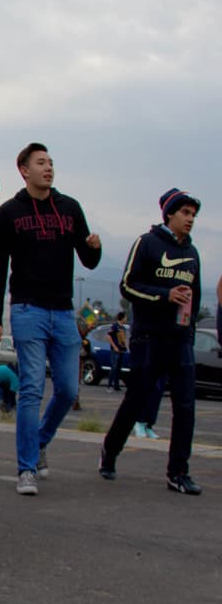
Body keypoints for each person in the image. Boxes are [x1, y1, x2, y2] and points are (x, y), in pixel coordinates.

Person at [0, 143, 101, 497]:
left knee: (67, 389)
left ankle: (40, 441)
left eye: (51, 162)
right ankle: (27, 468)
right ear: (24, 170)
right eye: (41, 163)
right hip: (27, 310)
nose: (48, 168)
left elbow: (89, 261)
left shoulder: (69, 208)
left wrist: (94, 247)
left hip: (64, 311)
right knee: (32, 386)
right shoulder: (9, 212)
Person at [100, 188, 203, 495]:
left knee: (185, 406)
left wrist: (190, 326)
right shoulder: (147, 243)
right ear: (169, 214)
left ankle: (178, 472)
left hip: (180, 339)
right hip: (149, 338)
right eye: (185, 213)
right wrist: (164, 295)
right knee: (137, 400)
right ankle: (110, 450)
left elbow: (194, 297)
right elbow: (128, 286)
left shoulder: (193, 253)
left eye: (194, 215)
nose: (190, 220)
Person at [107, 311, 128, 393]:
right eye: (125, 317)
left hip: (121, 349)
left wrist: (126, 346)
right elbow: (108, 336)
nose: (126, 319)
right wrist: (114, 346)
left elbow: (124, 339)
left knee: (119, 368)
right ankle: (109, 385)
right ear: (122, 318)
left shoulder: (123, 328)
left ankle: (116, 385)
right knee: (114, 367)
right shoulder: (115, 326)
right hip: (115, 350)